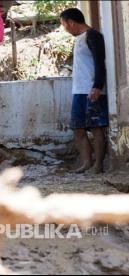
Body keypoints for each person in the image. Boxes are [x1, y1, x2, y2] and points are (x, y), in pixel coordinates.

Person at [60, 8, 108, 174]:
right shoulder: (78, 39)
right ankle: (86, 163)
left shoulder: (93, 35)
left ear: (71, 22)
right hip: (78, 91)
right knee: (78, 128)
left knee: (96, 127)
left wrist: (97, 86)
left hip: (92, 90)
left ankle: (98, 166)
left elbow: (100, 63)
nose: (65, 29)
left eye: (64, 25)